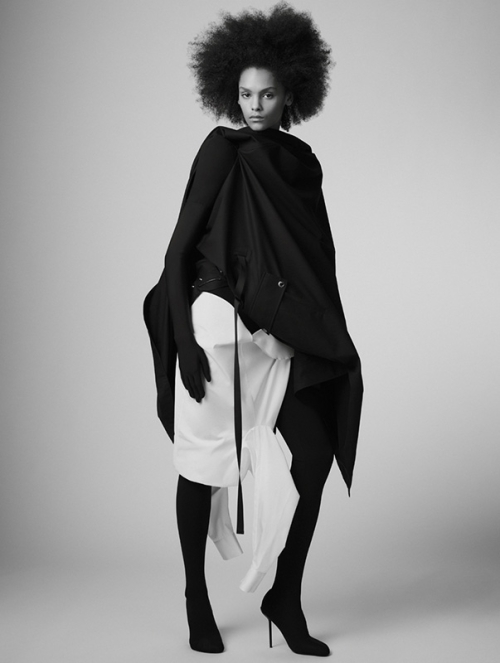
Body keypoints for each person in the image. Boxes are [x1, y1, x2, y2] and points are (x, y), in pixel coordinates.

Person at [144, 2, 363, 656]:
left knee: (314, 457)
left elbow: (314, 256)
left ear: (291, 93)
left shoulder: (302, 162)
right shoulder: (223, 148)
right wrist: (184, 345)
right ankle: (196, 596)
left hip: (277, 336)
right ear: (230, 94)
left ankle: (284, 595)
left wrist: (323, 330)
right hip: (214, 330)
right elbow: (177, 252)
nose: (255, 105)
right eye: (245, 94)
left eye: (267, 94)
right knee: (201, 466)